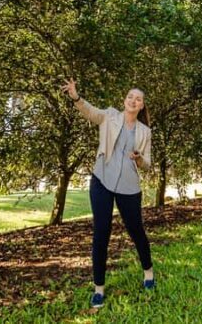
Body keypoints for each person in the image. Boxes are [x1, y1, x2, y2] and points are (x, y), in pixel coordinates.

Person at [61, 79, 154, 309]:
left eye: (138, 99)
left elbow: (148, 164)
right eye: (130, 96)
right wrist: (76, 97)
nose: (133, 101)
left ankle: (148, 272)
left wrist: (139, 159)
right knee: (101, 232)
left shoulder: (145, 132)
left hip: (129, 187)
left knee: (136, 231)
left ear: (142, 105)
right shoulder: (110, 116)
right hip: (102, 180)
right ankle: (99, 289)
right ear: (125, 100)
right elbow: (90, 112)